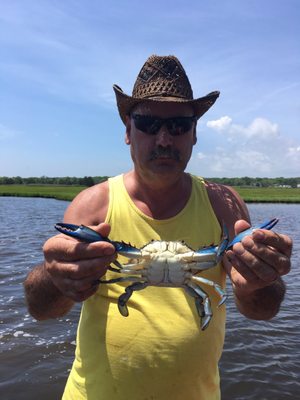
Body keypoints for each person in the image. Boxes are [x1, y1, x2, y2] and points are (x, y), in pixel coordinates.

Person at [24, 55, 292, 400]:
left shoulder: (224, 205)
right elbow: (41, 310)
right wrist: (54, 277)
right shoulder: (94, 205)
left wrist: (260, 281)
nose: (164, 139)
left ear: (194, 134)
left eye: (179, 124)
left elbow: (263, 310)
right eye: (148, 123)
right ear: (127, 131)